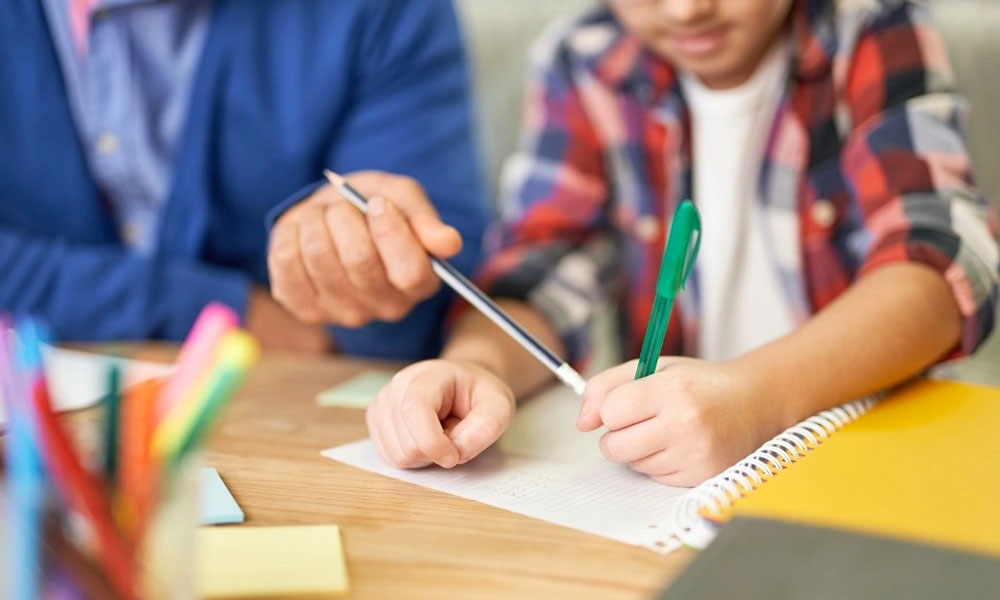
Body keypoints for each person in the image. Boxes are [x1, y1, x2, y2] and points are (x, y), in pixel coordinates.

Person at [342, 0, 999, 485]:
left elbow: (938, 266)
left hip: (875, 455)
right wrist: (478, 363)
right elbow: (547, 268)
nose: (687, 11)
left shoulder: (874, 28)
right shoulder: (583, 59)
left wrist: (759, 398)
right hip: (675, 486)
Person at [0, 0, 488, 359]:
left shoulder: (387, 14)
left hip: (279, 420)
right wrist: (219, 310)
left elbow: (427, 308)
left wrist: (361, 281)